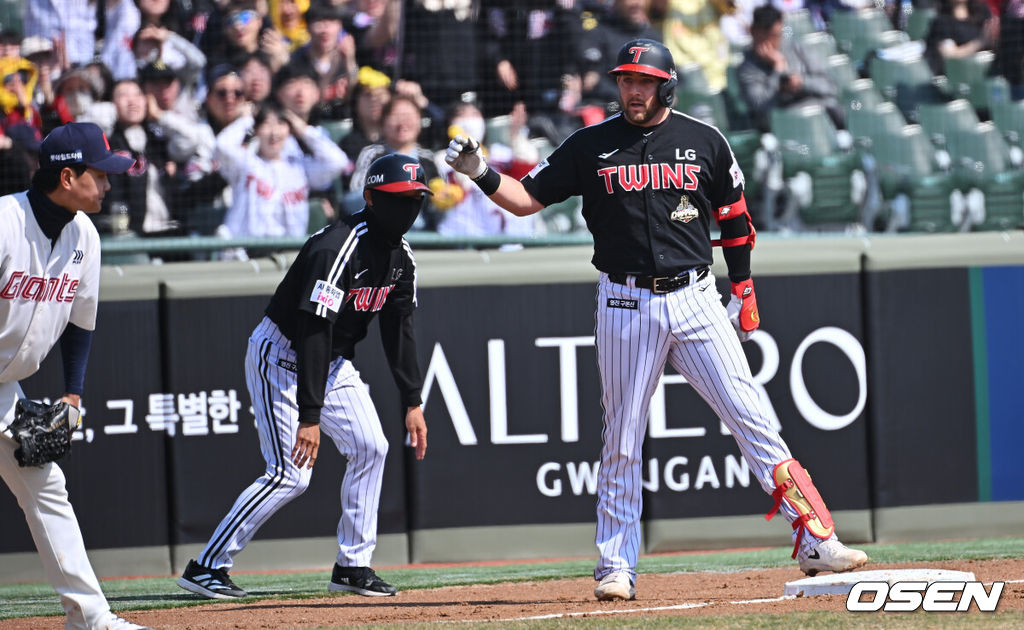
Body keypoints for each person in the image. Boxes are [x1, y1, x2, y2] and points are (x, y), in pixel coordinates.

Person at [445, 38, 869, 601]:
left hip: (696, 297)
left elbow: (736, 219)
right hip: (625, 301)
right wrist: (479, 170)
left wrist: (742, 286)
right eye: (625, 80)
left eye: (644, 81)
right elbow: (526, 200)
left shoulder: (703, 140)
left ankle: (816, 537)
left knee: (753, 417)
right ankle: (615, 565)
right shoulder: (590, 144)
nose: (633, 89)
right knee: (621, 437)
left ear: (667, 84)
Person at [177, 152, 429, 600]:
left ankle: (353, 567)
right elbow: (315, 329)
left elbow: (399, 330)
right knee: (290, 474)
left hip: (329, 363)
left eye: (415, 198)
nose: (407, 207)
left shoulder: (402, 257)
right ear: (370, 198)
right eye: (398, 198)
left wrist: (413, 399)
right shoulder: (338, 246)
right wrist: (308, 416)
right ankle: (207, 565)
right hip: (282, 354)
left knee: (372, 446)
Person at [0, 121, 148, 630]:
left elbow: (80, 323)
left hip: (4, 386)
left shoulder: (84, 235)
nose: (109, 185)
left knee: (46, 489)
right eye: (100, 175)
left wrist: (73, 395)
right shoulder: (4, 224)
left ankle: (90, 618)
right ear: (66, 178)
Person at [213, 100, 348, 250]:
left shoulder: (300, 167)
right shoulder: (246, 164)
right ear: (256, 130)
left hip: (288, 253)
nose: (274, 132)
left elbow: (338, 162)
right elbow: (222, 144)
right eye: (266, 124)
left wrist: (303, 129)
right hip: (245, 253)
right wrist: (246, 119)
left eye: (280, 124)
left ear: (289, 130)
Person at [735, 4, 844, 133]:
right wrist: (778, 70)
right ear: (753, 32)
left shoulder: (798, 49)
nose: (772, 42)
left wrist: (802, 82)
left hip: (818, 111)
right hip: (782, 123)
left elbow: (830, 87)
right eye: (766, 36)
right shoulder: (747, 68)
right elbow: (760, 106)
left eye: (775, 36)